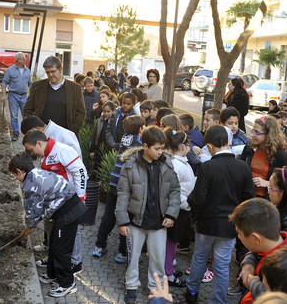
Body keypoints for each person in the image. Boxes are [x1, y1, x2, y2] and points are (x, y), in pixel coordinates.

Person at [186, 125, 255, 304]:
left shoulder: (208, 167)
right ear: (228, 141)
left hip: (206, 223)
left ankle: (192, 292)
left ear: (209, 146)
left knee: (199, 258)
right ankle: (218, 300)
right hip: (230, 226)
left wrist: (194, 213)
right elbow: (249, 199)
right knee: (222, 265)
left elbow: (199, 198)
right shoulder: (243, 167)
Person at [116, 126, 181, 304]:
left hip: (159, 222)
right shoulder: (130, 166)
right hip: (136, 221)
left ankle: (156, 288)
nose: (161, 152)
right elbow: (122, 195)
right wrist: (122, 221)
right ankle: (131, 286)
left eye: (162, 148)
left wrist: (171, 214)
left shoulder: (167, 163)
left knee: (158, 259)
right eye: (157, 148)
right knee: (133, 257)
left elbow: (175, 191)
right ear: (145, 146)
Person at [8, 152, 86, 298]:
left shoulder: (30, 184)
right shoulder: (36, 173)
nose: (16, 179)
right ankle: (52, 275)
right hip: (67, 206)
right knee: (55, 244)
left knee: (61, 249)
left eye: (15, 175)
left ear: (19, 171)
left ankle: (67, 284)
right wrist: (31, 224)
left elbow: (33, 209)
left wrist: (30, 226)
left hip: (68, 211)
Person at [22, 130, 87, 273]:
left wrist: (81, 197)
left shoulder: (62, 150)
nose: (32, 154)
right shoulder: (45, 154)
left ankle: (75, 262)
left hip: (69, 200)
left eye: (31, 150)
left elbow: (80, 172)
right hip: (55, 202)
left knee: (72, 231)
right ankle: (53, 258)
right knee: (53, 230)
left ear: (39, 143)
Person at [93, 115, 145, 263]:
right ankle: (123, 252)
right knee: (125, 218)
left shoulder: (125, 138)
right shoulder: (139, 143)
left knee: (109, 216)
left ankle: (99, 245)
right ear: (141, 129)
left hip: (114, 183)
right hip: (126, 186)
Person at [230, 198, 287, 304]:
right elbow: (256, 251)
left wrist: (253, 284)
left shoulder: (285, 268)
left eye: (239, 233)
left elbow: (273, 299)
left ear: (256, 239)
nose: (239, 237)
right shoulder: (273, 244)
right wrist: (249, 262)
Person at [163, 128, 195, 287]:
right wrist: (188, 203)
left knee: (173, 242)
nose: (190, 147)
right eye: (189, 145)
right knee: (171, 242)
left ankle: (168, 268)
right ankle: (167, 274)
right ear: (183, 147)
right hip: (178, 210)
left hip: (182, 208)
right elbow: (172, 191)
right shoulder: (176, 164)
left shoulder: (181, 162)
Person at [24, 56, 85, 136]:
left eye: (53, 71)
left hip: (66, 136)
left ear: (60, 69)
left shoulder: (75, 88)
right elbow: (27, 109)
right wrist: (35, 129)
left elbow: (81, 112)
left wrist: (71, 131)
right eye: (47, 72)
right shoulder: (37, 87)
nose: (50, 75)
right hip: (42, 136)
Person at [239, 116, 287, 198]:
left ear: (268, 134)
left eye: (256, 132)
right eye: (252, 131)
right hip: (247, 195)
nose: (252, 135)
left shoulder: (280, 156)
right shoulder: (249, 149)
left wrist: (268, 183)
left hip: (266, 199)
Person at [1, 52, 33, 141]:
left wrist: (32, 95)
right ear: (18, 60)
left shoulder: (27, 71)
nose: (25, 60)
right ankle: (15, 133)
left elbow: (30, 83)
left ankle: (27, 133)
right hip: (13, 95)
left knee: (25, 115)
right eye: (23, 59)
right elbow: (4, 83)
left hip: (24, 96)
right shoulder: (10, 70)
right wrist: (3, 95)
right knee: (14, 116)